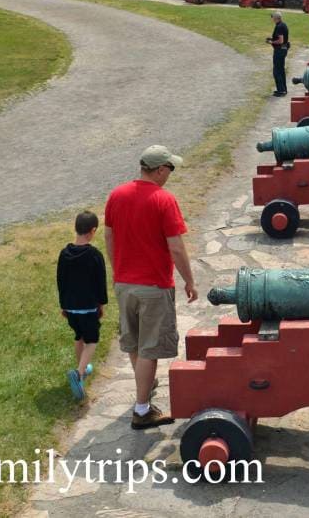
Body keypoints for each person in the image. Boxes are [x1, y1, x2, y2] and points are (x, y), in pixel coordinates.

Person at [104, 145, 197, 429]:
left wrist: (117, 269)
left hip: (125, 283)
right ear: (159, 170)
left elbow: (109, 235)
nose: (170, 173)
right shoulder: (163, 200)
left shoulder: (116, 195)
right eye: (170, 168)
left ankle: (144, 386)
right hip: (153, 285)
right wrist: (189, 280)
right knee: (149, 348)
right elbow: (176, 248)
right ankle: (142, 410)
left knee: (134, 342)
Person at [57, 211, 108, 400]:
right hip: (88, 306)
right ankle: (78, 374)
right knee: (92, 340)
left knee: (79, 336)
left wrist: (63, 305)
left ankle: (83, 368)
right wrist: (101, 303)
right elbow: (100, 282)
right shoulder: (94, 255)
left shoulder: (64, 254)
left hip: (70, 307)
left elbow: (60, 281)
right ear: (92, 231)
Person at [267, 11, 290, 97]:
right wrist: (272, 39)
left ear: (276, 18)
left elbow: (281, 40)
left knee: (277, 70)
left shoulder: (279, 26)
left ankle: (281, 91)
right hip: (283, 49)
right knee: (281, 69)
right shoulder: (283, 25)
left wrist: (271, 42)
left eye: (273, 17)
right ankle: (283, 89)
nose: (272, 19)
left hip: (280, 50)